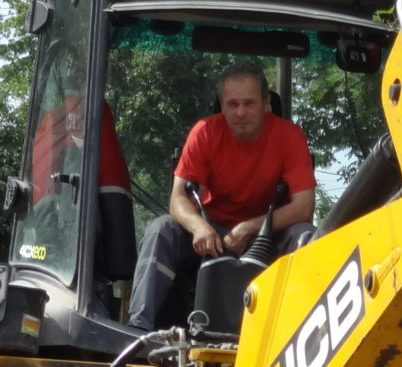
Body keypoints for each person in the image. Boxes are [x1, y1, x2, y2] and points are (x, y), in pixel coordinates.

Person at [129, 62, 317, 332]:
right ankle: (138, 330)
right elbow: (177, 199)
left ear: (266, 103)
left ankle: (306, 334)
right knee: (161, 229)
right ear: (222, 105)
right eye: (233, 104)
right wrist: (199, 227)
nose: (241, 113)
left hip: (270, 234)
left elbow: (303, 208)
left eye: (249, 103)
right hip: (211, 233)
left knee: (307, 236)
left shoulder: (290, 136)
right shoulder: (204, 132)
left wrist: (250, 227)